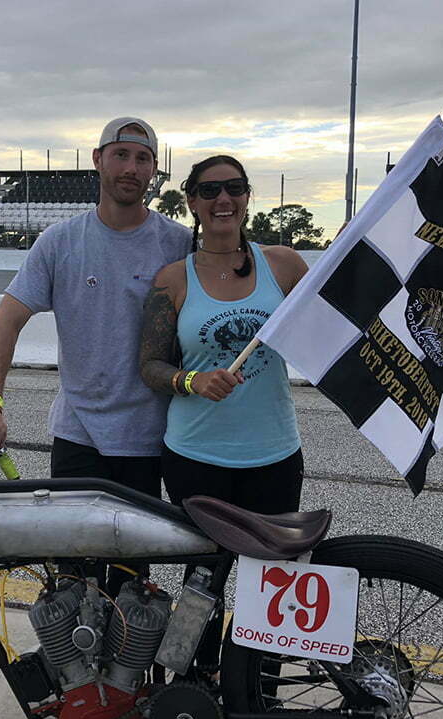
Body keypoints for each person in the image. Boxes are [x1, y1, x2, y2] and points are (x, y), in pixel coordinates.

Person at [0, 118, 191, 585]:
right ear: (98, 159)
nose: (131, 168)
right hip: (78, 438)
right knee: (73, 581)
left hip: (147, 442)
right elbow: (5, 322)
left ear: (153, 169)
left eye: (143, 158)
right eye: (121, 154)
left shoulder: (178, 244)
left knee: (130, 584)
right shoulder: (60, 242)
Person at [138, 154, 308, 671]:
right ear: (191, 201)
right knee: (201, 582)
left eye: (234, 188)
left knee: (273, 583)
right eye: (210, 191)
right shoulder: (173, 279)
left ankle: (260, 694)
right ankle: (192, 685)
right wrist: (192, 380)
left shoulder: (284, 265)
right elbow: (149, 365)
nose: (223, 200)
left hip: (273, 456)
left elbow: (331, 328)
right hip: (195, 458)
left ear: (247, 197)